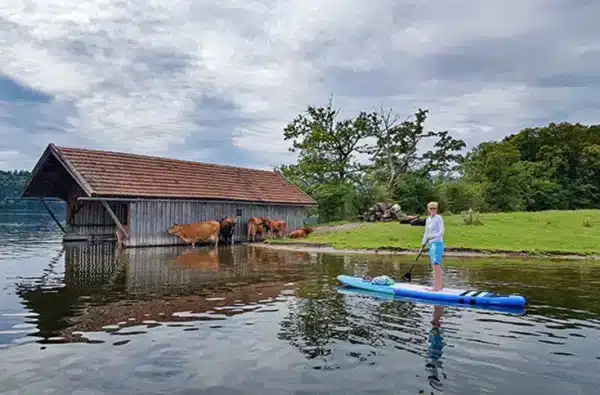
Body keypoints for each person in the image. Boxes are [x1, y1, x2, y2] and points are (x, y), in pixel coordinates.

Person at [422, 201, 445, 291]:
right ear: (428, 209)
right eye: (431, 208)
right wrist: (423, 244)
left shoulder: (439, 218)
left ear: (436, 209)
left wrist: (433, 236)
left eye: (435, 208)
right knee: (434, 265)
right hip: (431, 244)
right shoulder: (428, 219)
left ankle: (436, 287)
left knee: (436, 264)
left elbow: (442, 231)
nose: (433, 210)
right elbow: (426, 233)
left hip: (437, 243)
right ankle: (440, 286)